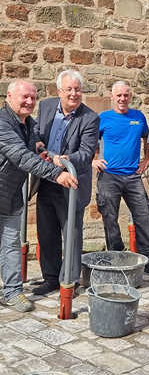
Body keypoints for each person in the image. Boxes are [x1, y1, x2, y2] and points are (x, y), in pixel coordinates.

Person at [0, 80, 77, 312]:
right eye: (24, 97)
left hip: (11, 196)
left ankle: (13, 291)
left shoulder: (28, 123)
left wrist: (48, 154)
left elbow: (35, 145)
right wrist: (57, 174)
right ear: (9, 96)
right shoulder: (3, 124)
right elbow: (21, 156)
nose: (29, 102)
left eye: (33, 98)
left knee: (11, 244)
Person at [32, 69, 99, 295]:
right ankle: (50, 278)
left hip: (71, 182)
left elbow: (87, 152)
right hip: (47, 178)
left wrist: (65, 159)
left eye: (77, 89)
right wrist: (40, 146)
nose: (73, 94)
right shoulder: (47, 107)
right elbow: (37, 133)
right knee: (46, 231)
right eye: (69, 89)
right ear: (59, 91)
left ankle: (68, 281)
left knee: (71, 233)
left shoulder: (90, 118)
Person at [92, 81, 149, 277]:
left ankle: (148, 259)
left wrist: (147, 160)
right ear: (112, 97)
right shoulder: (103, 118)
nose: (122, 99)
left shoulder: (138, 117)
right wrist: (93, 160)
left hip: (133, 176)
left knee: (143, 216)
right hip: (109, 176)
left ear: (130, 96)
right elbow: (89, 141)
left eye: (126, 95)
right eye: (119, 95)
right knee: (110, 218)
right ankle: (117, 257)